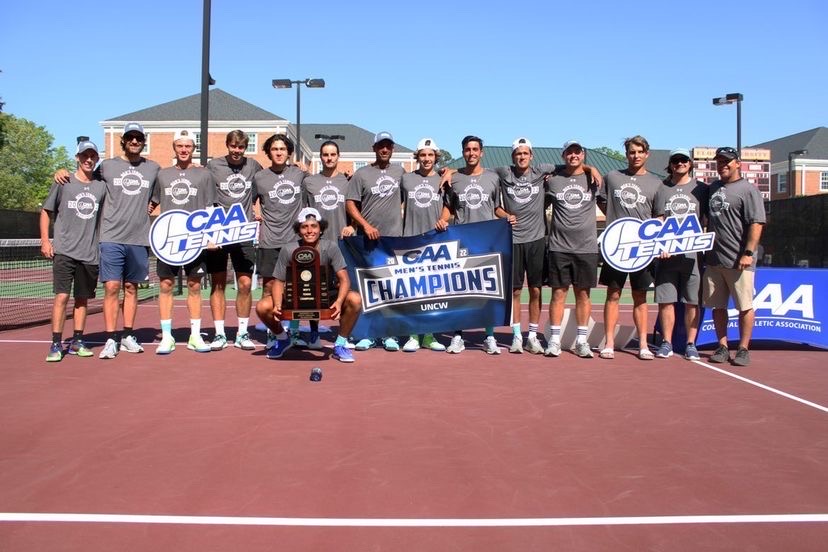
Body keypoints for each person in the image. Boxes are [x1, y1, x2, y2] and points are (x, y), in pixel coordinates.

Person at [55, 122, 160, 359]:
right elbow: (84, 176)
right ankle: (111, 338)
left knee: (131, 288)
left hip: (139, 238)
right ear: (123, 140)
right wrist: (62, 172)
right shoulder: (107, 167)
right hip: (110, 237)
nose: (135, 141)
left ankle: (128, 335)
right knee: (112, 287)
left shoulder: (153, 168)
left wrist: (153, 202)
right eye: (130, 137)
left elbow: (162, 191)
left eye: (139, 138)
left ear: (144, 141)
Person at [256, 208, 362, 362]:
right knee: (262, 307)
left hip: (326, 295)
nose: (309, 230)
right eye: (305, 227)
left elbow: (344, 279)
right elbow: (278, 281)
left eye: (314, 226)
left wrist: (338, 303)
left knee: (355, 299)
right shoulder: (288, 249)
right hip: (295, 296)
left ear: (321, 228)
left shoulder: (331, 247)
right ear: (299, 230)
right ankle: (282, 338)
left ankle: (340, 344)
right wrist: (278, 304)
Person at [150, 130, 216, 354]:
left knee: (194, 286)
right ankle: (167, 337)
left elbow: (210, 208)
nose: (184, 150)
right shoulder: (162, 175)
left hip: (195, 241)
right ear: (174, 148)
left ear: (194, 149)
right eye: (180, 146)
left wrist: (210, 236)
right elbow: (151, 203)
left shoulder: (204, 175)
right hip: (168, 242)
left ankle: (195, 336)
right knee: (166, 285)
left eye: (188, 146)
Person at [40, 141, 107, 362]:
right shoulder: (64, 181)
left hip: (89, 253)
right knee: (61, 297)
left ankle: (78, 339)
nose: (89, 159)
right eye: (85, 155)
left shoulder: (101, 186)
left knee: (82, 300)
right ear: (77, 157)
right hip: (64, 251)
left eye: (93, 156)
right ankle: (57, 343)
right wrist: (45, 241)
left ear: (97, 158)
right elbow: (46, 211)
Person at [597, 135, 662, 360]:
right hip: (616, 249)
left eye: (639, 152)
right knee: (613, 294)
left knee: (640, 296)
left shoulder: (656, 183)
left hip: (642, 250)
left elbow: (659, 217)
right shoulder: (613, 177)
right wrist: (616, 227)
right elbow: (601, 200)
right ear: (626, 155)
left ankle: (643, 344)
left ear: (647, 154)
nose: (635, 156)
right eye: (631, 152)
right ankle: (609, 343)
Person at [702, 146, 766, 367]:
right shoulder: (713, 188)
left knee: (744, 306)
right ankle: (722, 346)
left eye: (727, 161)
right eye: (719, 162)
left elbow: (756, 223)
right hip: (714, 261)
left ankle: (743, 348)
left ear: (738, 163)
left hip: (739, 262)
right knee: (718, 307)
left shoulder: (748, 190)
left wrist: (748, 253)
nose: (723, 165)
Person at [439, 135, 502, 354]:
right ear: (463, 152)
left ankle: (489, 336)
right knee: (460, 292)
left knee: (487, 291)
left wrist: (508, 216)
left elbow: (496, 208)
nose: (471, 153)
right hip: (461, 243)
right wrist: (442, 219)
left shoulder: (493, 178)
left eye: (475, 149)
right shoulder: (454, 180)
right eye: (467, 149)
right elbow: (449, 208)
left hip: (486, 241)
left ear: (481, 152)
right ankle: (458, 335)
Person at [345, 131, 406, 352]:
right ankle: (367, 334)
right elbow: (350, 204)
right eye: (381, 146)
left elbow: (423, 183)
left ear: (392, 149)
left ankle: (389, 333)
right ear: (374, 148)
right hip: (368, 241)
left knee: (390, 289)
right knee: (367, 289)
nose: (384, 149)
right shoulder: (362, 174)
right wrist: (364, 226)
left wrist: (446, 173)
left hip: (394, 241)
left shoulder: (401, 172)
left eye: (388, 146)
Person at [493, 138, 554, 354]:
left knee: (536, 289)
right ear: (513, 157)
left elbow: (569, 166)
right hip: (513, 241)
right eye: (518, 153)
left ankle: (533, 336)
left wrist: (590, 167)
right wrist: (505, 215)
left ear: (532, 155)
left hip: (537, 240)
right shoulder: (503, 173)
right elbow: (477, 174)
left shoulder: (541, 171)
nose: (521, 157)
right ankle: (517, 336)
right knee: (516, 291)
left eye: (525, 153)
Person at [205, 130, 263, 351]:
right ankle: (219, 334)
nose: (237, 151)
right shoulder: (214, 166)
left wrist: (258, 212)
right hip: (219, 232)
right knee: (218, 283)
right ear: (227, 146)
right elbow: (204, 193)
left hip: (244, 233)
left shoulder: (254, 166)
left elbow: (262, 190)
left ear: (245, 148)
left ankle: (242, 332)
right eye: (233, 146)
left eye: (241, 147)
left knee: (246, 284)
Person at [543, 140, 599, 359]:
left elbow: (606, 204)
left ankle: (582, 341)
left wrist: (591, 168)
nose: (574, 155)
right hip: (559, 247)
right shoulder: (553, 180)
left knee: (583, 294)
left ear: (583, 155)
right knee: (558, 293)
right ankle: (554, 341)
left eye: (578, 152)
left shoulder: (593, 178)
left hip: (587, 248)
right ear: (563, 155)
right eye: (569, 152)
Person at [251, 133, 309, 348]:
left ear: (289, 153)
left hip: (295, 243)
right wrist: (254, 214)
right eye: (274, 149)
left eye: (282, 149)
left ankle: (293, 333)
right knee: (268, 290)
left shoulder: (299, 175)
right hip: (269, 242)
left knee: (295, 291)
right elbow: (248, 203)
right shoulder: (259, 178)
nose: (278, 152)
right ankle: (274, 333)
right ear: (268, 152)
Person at [653, 148, 709, 361]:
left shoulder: (702, 189)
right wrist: (660, 245)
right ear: (670, 164)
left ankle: (690, 344)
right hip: (667, 257)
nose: (680, 163)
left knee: (691, 301)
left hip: (692, 256)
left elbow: (707, 222)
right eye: (676, 160)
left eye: (684, 160)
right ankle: (666, 342)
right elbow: (659, 219)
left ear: (690, 163)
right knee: (666, 301)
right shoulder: (662, 188)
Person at [301, 139, 356, 350]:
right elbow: (303, 213)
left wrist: (351, 225)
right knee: (314, 291)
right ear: (320, 157)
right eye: (325, 154)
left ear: (338, 157)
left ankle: (342, 336)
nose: (329, 158)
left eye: (333, 154)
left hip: (341, 245)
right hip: (316, 246)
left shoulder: (348, 181)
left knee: (342, 287)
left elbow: (355, 208)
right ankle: (314, 333)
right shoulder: (309, 182)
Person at [400, 137, 448, 352]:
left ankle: (428, 335)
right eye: (423, 155)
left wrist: (444, 219)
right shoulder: (406, 179)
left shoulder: (444, 179)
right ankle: (412, 336)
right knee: (412, 291)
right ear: (417, 157)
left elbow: (451, 206)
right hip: (410, 240)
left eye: (430, 155)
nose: (427, 159)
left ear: (436, 157)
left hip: (435, 242)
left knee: (432, 293)